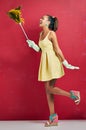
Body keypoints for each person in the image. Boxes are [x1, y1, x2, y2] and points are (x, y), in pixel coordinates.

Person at [26, 15, 80, 127]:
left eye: (43, 18)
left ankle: (73, 95)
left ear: (48, 22)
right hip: (45, 63)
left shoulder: (51, 34)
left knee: (49, 89)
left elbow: (57, 49)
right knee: (48, 91)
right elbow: (41, 49)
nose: (40, 19)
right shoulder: (41, 34)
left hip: (53, 62)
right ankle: (53, 118)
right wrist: (33, 45)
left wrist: (66, 63)